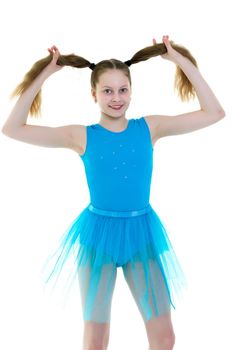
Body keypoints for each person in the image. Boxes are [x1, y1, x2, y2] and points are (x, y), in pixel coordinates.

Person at [2, 35, 225, 350]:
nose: (116, 98)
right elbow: (12, 128)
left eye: (123, 90)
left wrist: (179, 60)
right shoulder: (80, 136)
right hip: (98, 238)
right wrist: (46, 73)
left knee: (165, 338)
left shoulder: (149, 128)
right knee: (96, 341)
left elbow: (214, 113)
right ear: (93, 94)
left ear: (132, 92)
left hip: (142, 234)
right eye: (107, 90)